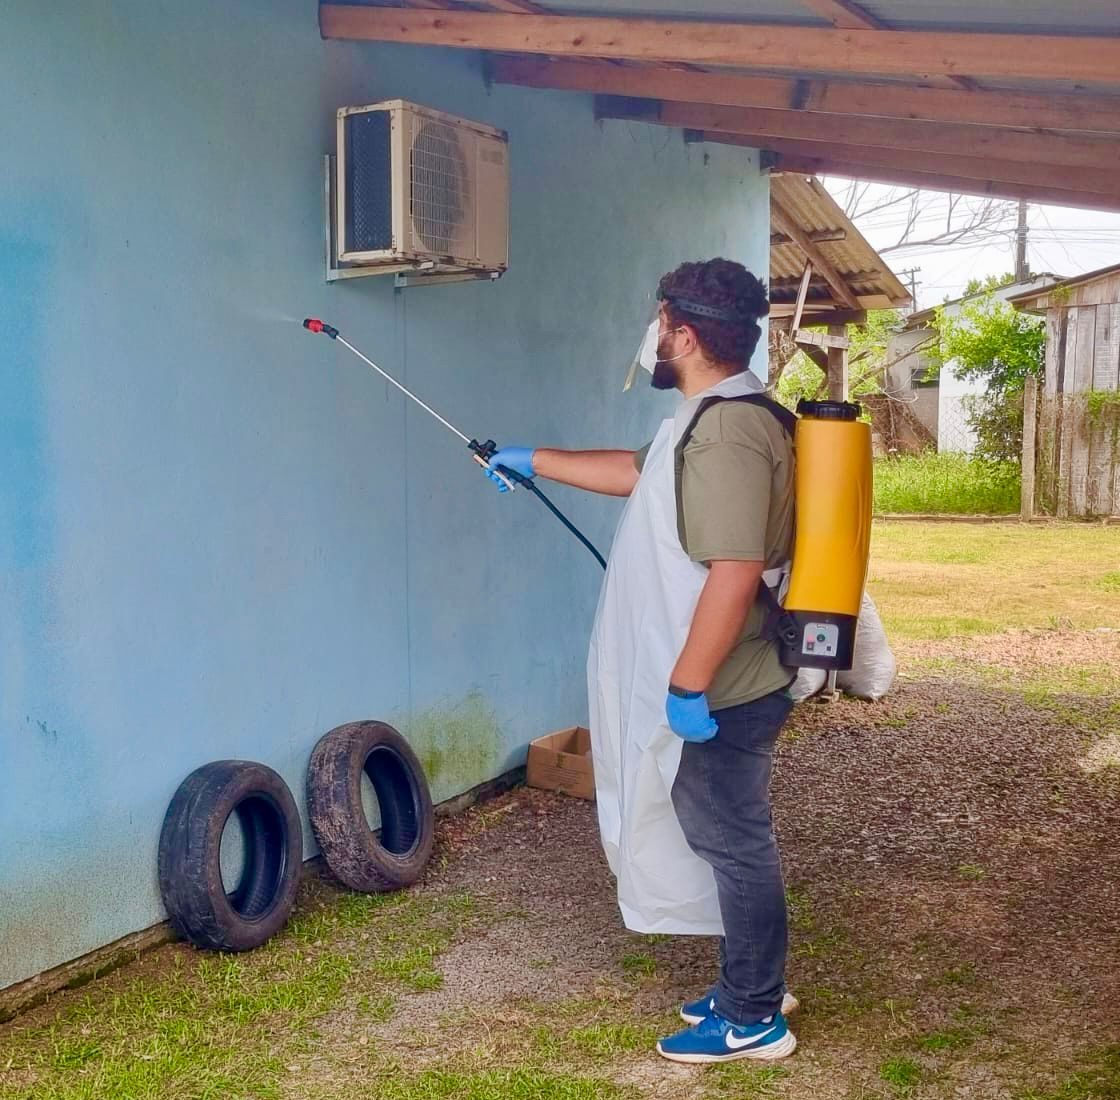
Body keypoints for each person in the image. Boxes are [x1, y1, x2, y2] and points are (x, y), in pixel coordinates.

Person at [487, 259, 798, 1064]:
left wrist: (688, 684)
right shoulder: (707, 417)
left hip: (725, 687)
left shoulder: (728, 430)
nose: (654, 336)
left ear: (684, 333)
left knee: (732, 838)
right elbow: (638, 472)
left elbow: (733, 572)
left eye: (661, 322)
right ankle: (749, 983)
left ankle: (755, 1011)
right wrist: (533, 459)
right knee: (719, 831)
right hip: (720, 681)